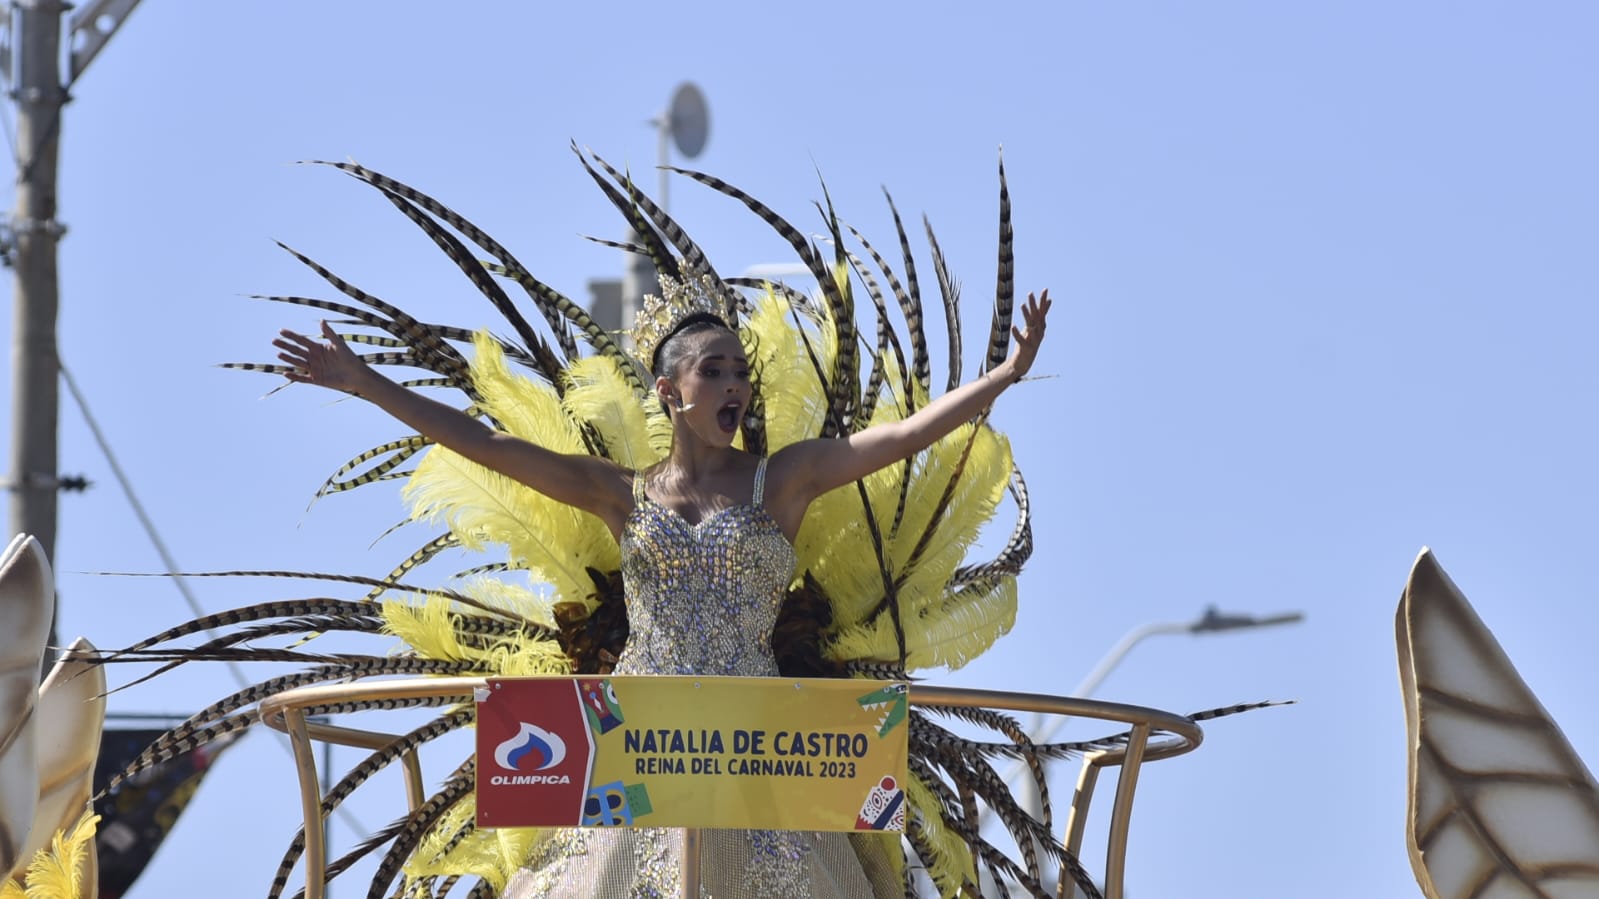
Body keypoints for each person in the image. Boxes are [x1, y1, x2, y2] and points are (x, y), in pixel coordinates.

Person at [273, 272, 1052, 899]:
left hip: (754, 745)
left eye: (741, 372)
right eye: (714, 370)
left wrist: (1005, 375)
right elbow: (488, 443)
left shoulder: (784, 480)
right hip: (637, 742)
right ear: (669, 391)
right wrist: (366, 383)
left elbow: (902, 437)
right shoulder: (621, 493)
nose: (734, 386)